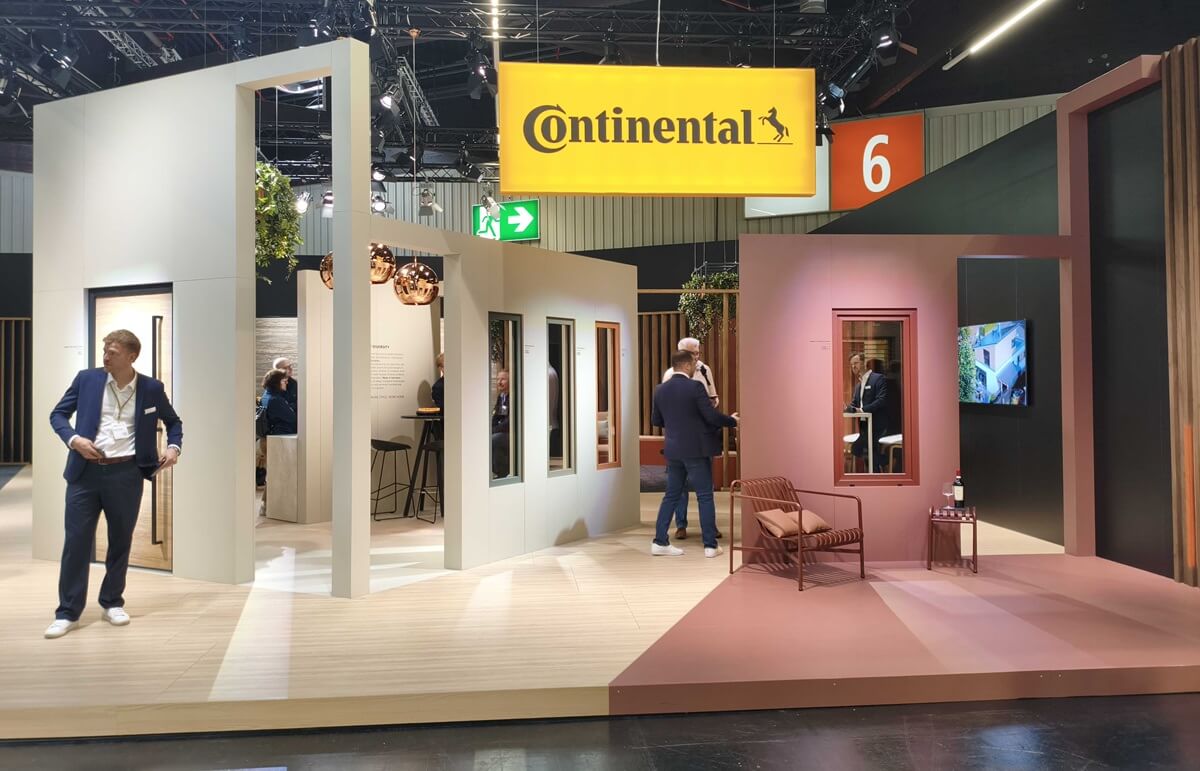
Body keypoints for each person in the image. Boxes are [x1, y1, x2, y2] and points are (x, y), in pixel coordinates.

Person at [45, 329, 182, 639]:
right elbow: (58, 415)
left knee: (120, 541)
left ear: (131, 357)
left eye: (113, 352)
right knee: (76, 542)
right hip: (84, 474)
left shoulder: (151, 388)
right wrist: (74, 440)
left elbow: (174, 422)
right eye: (105, 350)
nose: (105, 356)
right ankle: (67, 612)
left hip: (127, 474)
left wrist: (174, 448)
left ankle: (112, 602)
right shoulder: (87, 379)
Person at [650, 349, 738, 558]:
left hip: (673, 450)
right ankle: (710, 546)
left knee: (671, 495)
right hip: (696, 450)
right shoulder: (695, 387)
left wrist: (678, 425)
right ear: (687, 365)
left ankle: (660, 542)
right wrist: (732, 421)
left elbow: (656, 420)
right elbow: (711, 416)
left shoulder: (660, 389)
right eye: (693, 365)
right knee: (705, 496)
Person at [660, 337, 720, 539]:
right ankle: (681, 524)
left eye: (698, 353)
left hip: (702, 436)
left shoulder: (704, 370)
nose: (696, 357)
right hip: (679, 438)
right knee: (679, 486)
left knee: (705, 487)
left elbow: (713, 395)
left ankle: (709, 528)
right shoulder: (670, 375)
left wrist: (711, 404)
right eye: (692, 354)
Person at [846, 353, 889, 472]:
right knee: (867, 452)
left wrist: (862, 410)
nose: (853, 366)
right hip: (864, 427)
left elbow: (881, 400)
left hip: (877, 425)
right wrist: (847, 408)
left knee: (858, 449)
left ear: (864, 363)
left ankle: (883, 463)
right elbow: (855, 404)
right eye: (851, 364)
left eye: (856, 363)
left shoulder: (878, 378)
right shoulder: (858, 386)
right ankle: (879, 468)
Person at [260, 368, 298, 435]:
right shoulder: (275, 399)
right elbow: (293, 418)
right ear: (276, 383)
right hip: (283, 434)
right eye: (284, 381)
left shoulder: (265, 395)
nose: (287, 383)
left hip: (275, 432)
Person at [491, 369, 511, 479]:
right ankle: (497, 471)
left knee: (494, 439)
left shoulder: (513, 397)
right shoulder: (501, 396)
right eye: (498, 379)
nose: (499, 382)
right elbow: (496, 416)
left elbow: (509, 422)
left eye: (503, 379)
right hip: (502, 431)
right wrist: (491, 428)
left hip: (511, 433)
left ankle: (499, 472)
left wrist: (494, 430)